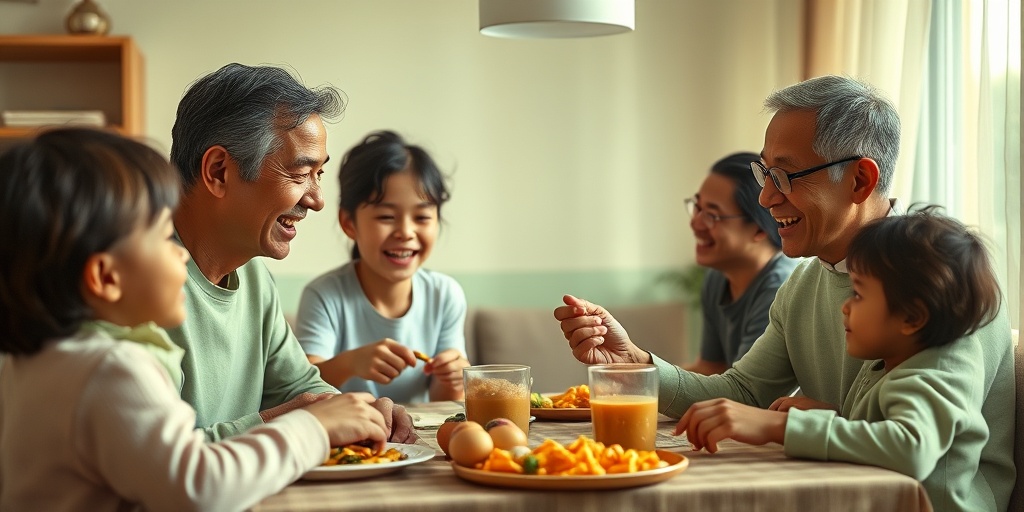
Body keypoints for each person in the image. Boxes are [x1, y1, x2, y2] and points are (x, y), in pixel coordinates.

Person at [553, 75, 1014, 512]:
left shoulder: (936, 280)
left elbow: (914, 444)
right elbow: (742, 392)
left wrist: (787, 423)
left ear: (859, 180)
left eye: (787, 176)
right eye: (765, 173)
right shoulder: (806, 284)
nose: (768, 198)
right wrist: (635, 362)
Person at [0, 128, 389, 511]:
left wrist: (348, 414)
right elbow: (200, 486)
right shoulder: (111, 368)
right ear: (106, 278)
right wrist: (315, 429)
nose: (179, 255)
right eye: (160, 236)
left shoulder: (38, 358)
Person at [681, 206, 1005, 511]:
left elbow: (911, 448)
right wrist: (835, 419)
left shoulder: (933, 372)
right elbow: (882, 437)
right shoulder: (893, 363)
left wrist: (780, 426)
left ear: (913, 317)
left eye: (859, 294)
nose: (845, 306)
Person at [168, 63, 414, 441]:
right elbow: (152, 460)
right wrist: (288, 421)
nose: (316, 201)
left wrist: (363, 414)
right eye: (300, 174)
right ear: (218, 171)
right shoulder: (136, 284)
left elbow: (300, 391)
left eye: (319, 174)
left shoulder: (254, 278)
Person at [295, 130, 469, 403]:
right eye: (387, 216)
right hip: (350, 438)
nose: (406, 232)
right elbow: (302, 388)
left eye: (422, 216)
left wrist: (453, 377)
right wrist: (350, 363)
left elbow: (442, 404)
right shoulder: (324, 295)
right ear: (349, 223)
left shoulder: (445, 294)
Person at [682, 152, 798, 375]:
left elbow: (743, 392)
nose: (695, 223)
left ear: (759, 228)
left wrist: (639, 368)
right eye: (697, 207)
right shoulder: (718, 278)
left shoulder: (779, 288)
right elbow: (709, 369)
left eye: (712, 215)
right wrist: (629, 378)